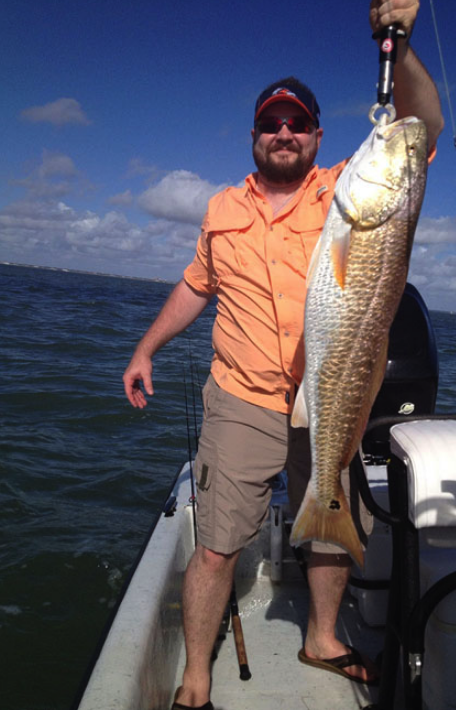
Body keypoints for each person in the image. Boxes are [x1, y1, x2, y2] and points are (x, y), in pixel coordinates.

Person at [123, 2, 444, 708]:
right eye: (272, 123)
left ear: (318, 136)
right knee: (216, 545)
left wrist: (404, 47)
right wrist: (145, 348)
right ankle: (196, 679)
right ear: (254, 136)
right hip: (241, 399)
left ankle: (323, 637)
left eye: (297, 123)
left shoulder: (343, 191)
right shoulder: (219, 208)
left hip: (329, 390)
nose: (284, 133)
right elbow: (193, 286)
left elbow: (421, 133)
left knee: (330, 522)